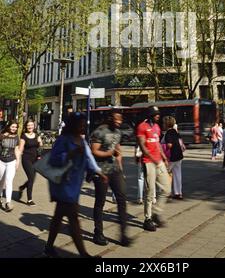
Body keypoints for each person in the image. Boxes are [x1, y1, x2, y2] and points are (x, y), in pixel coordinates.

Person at [44, 112, 106, 258]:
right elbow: (54, 160)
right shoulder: (63, 140)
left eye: (84, 124)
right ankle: (83, 254)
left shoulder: (82, 141)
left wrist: (98, 172)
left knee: (58, 217)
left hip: (74, 185)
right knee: (73, 219)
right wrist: (70, 154)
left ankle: (48, 247)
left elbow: (89, 160)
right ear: (73, 124)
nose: (83, 126)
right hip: (63, 185)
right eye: (81, 123)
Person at [90, 108, 132, 247]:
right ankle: (98, 233)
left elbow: (118, 151)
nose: (119, 122)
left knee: (122, 199)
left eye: (120, 119)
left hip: (115, 170)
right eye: (116, 119)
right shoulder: (99, 131)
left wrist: (121, 168)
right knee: (100, 202)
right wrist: (109, 153)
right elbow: (94, 151)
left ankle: (124, 234)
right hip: (101, 171)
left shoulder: (118, 132)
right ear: (110, 119)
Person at [137, 106, 171, 232]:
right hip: (148, 162)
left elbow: (157, 143)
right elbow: (143, 147)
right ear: (151, 115)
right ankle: (148, 219)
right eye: (156, 114)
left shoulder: (157, 127)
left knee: (167, 188)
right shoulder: (142, 126)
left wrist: (163, 157)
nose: (158, 116)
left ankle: (157, 213)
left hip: (159, 161)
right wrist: (153, 158)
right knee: (150, 192)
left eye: (158, 114)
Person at [18, 119, 43, 205]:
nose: (30, 127)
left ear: (34, 126)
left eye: (31, 125)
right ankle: (29, 200)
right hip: (26, 159)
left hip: (36, 160)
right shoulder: (23, 136)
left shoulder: (37, 135)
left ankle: (22, 187)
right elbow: (20, 149)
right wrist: (17, 159)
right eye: (28, 125)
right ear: (26, 126)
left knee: (32, 179)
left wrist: (40, 144)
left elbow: (41, 145)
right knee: (31, 178)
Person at [0, 121, 20, 212]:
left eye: (16, 127)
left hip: (11, 161)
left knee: (9, 181)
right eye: (13, 126)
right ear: (8, 126)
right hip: (1, 161)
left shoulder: (16, 137)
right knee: (1, 181)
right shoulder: (2, 135)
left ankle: (8, 202)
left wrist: (18, 161)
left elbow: (16, 149)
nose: (14, 128)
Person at [164, 116, 185, 200]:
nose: (163, 125)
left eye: (163, 123)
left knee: (165, 173)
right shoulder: (176, 132)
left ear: (166, 124)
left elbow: (169, 145)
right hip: (179, 156)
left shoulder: (168, 133)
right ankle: (178, 193)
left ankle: (167, 192)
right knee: (177, 174)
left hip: (171, 156)